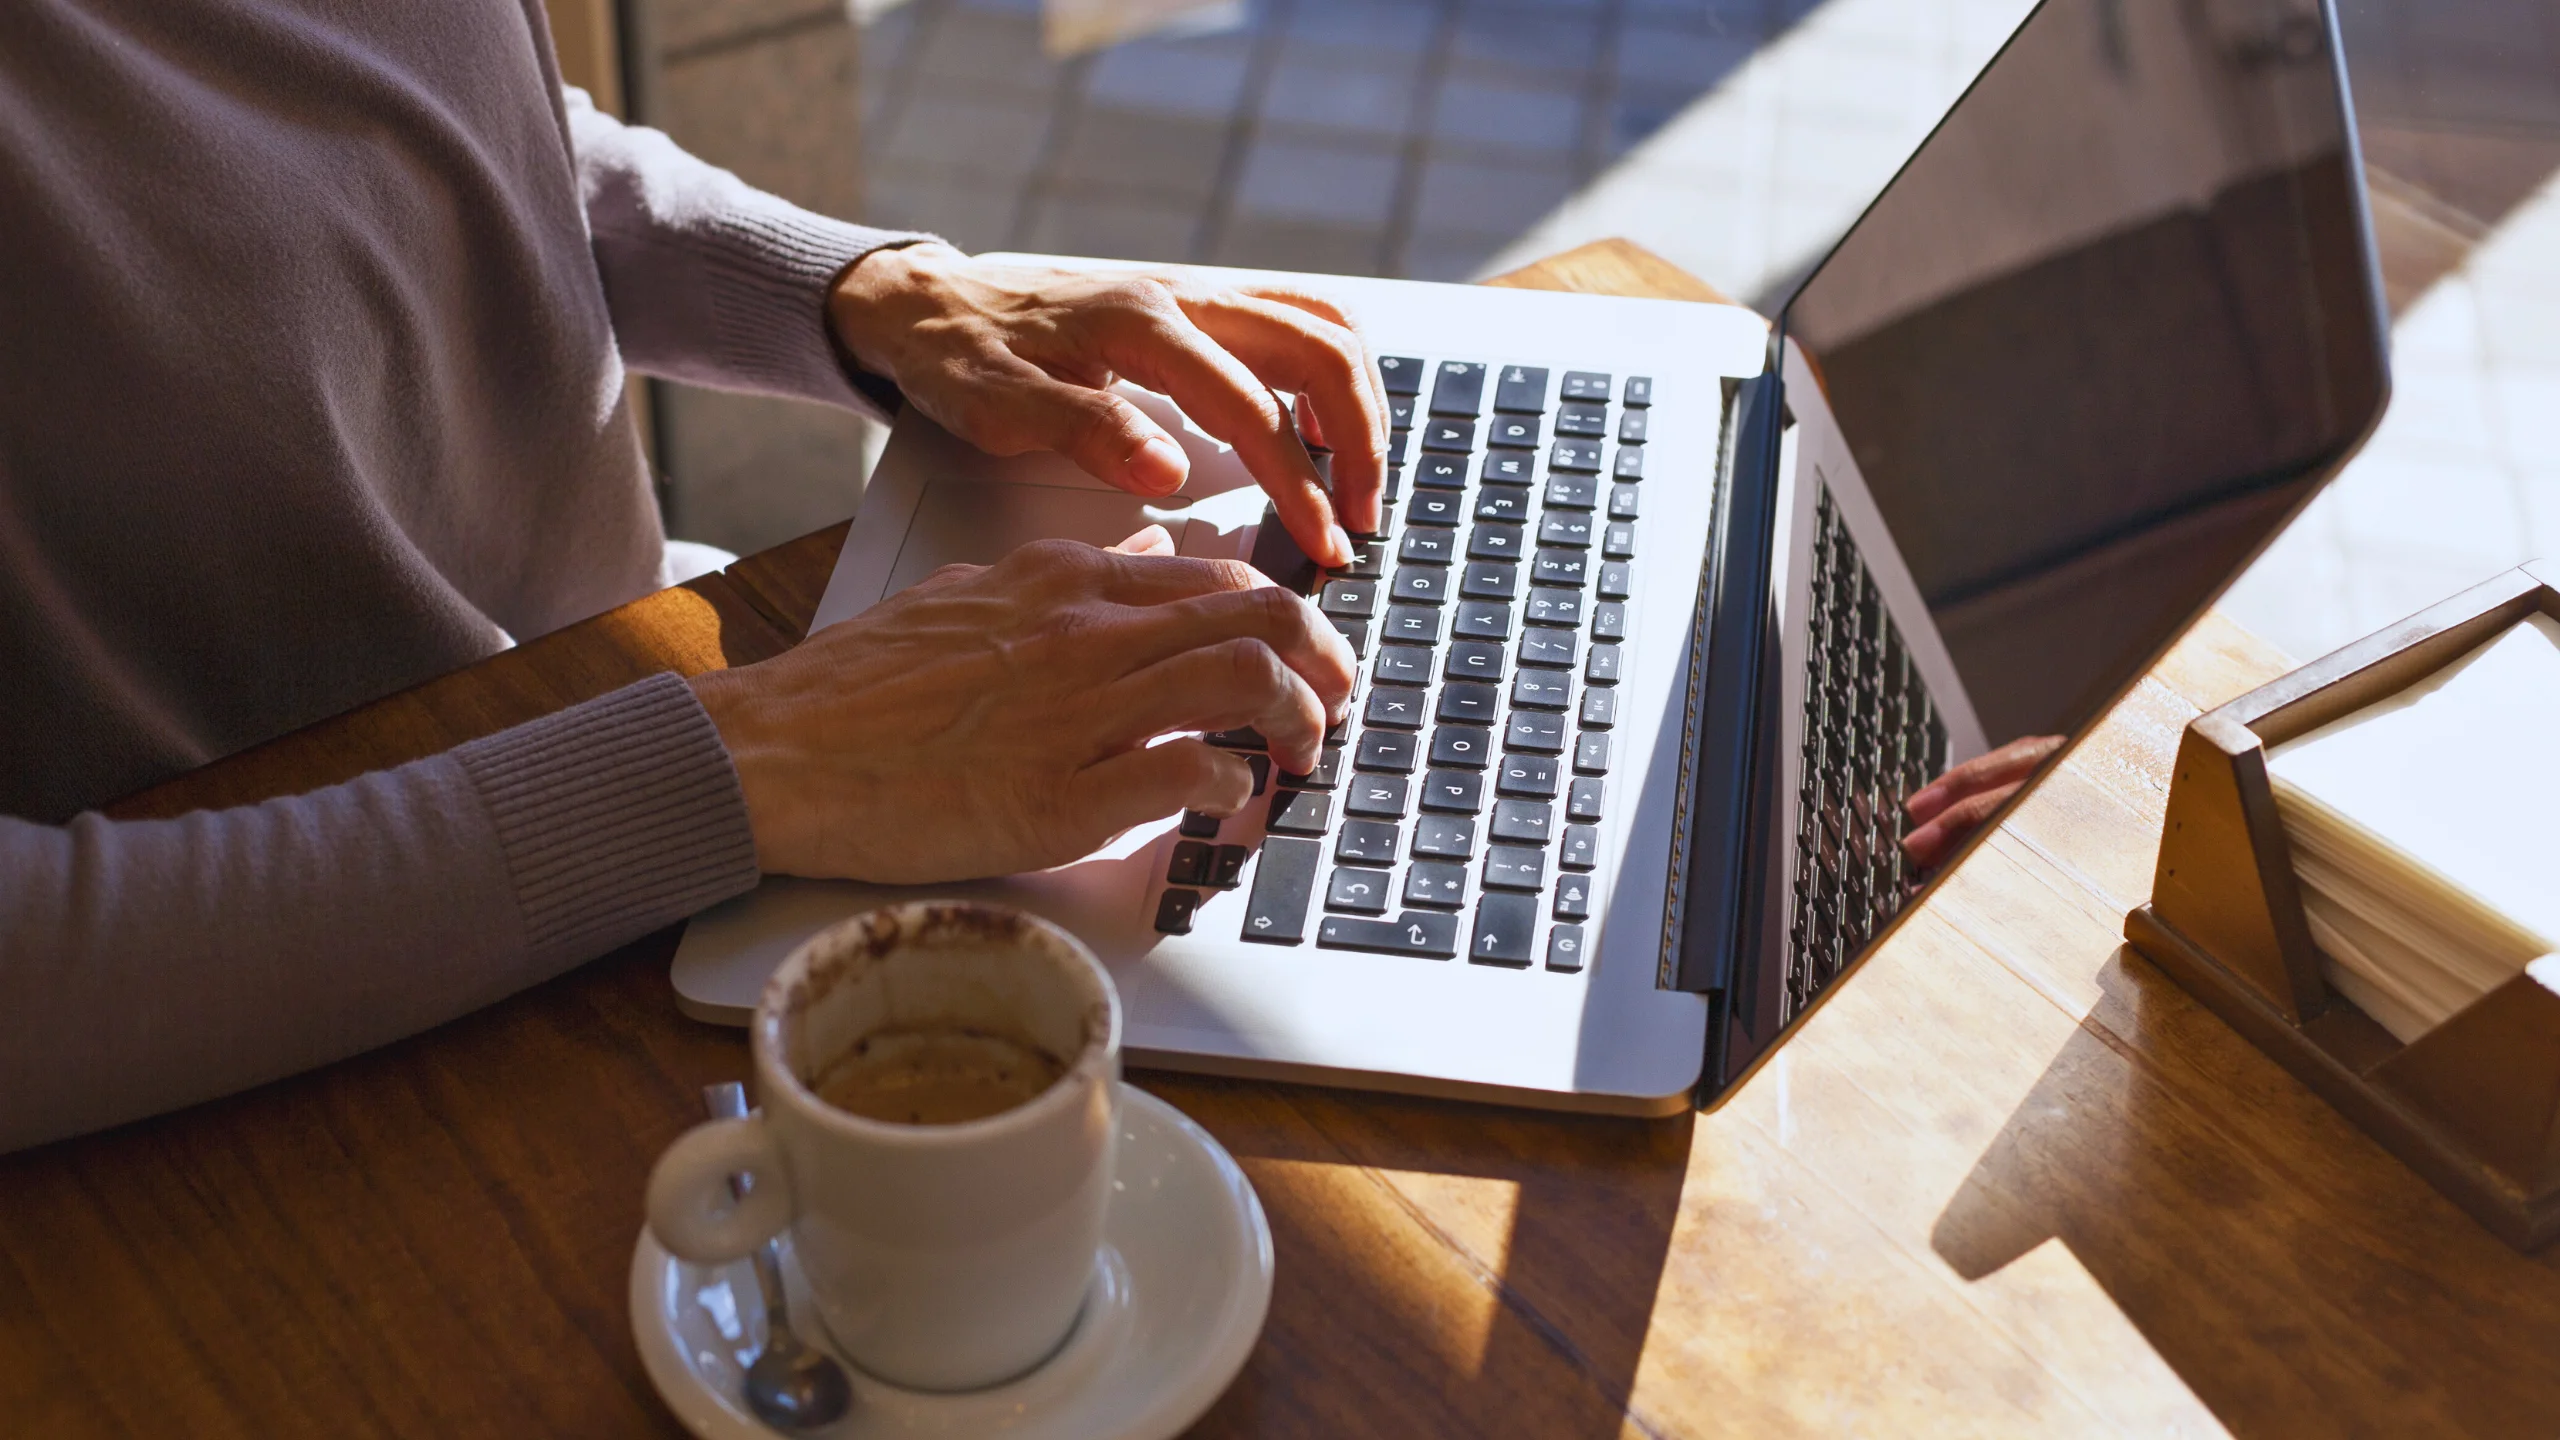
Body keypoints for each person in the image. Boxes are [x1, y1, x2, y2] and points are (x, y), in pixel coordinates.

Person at [0, 0, 2037, 1154]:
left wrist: (878, 298)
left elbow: (486, 132)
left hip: (651, 739)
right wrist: (742, 766)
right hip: (305, 1037)